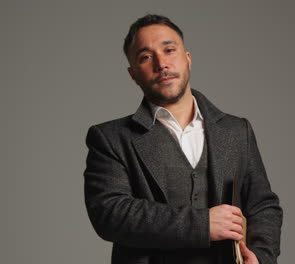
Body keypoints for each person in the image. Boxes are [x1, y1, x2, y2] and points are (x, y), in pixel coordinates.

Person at [84, 14, 282, 264]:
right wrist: (202, 224)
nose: (161, 63)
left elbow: (264, 205)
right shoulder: (111, 138)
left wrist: (261, 257)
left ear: (187, 59)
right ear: (133, 73)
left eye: (169, 50)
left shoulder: (236, 131)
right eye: (146, 57)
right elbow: (110, 214)